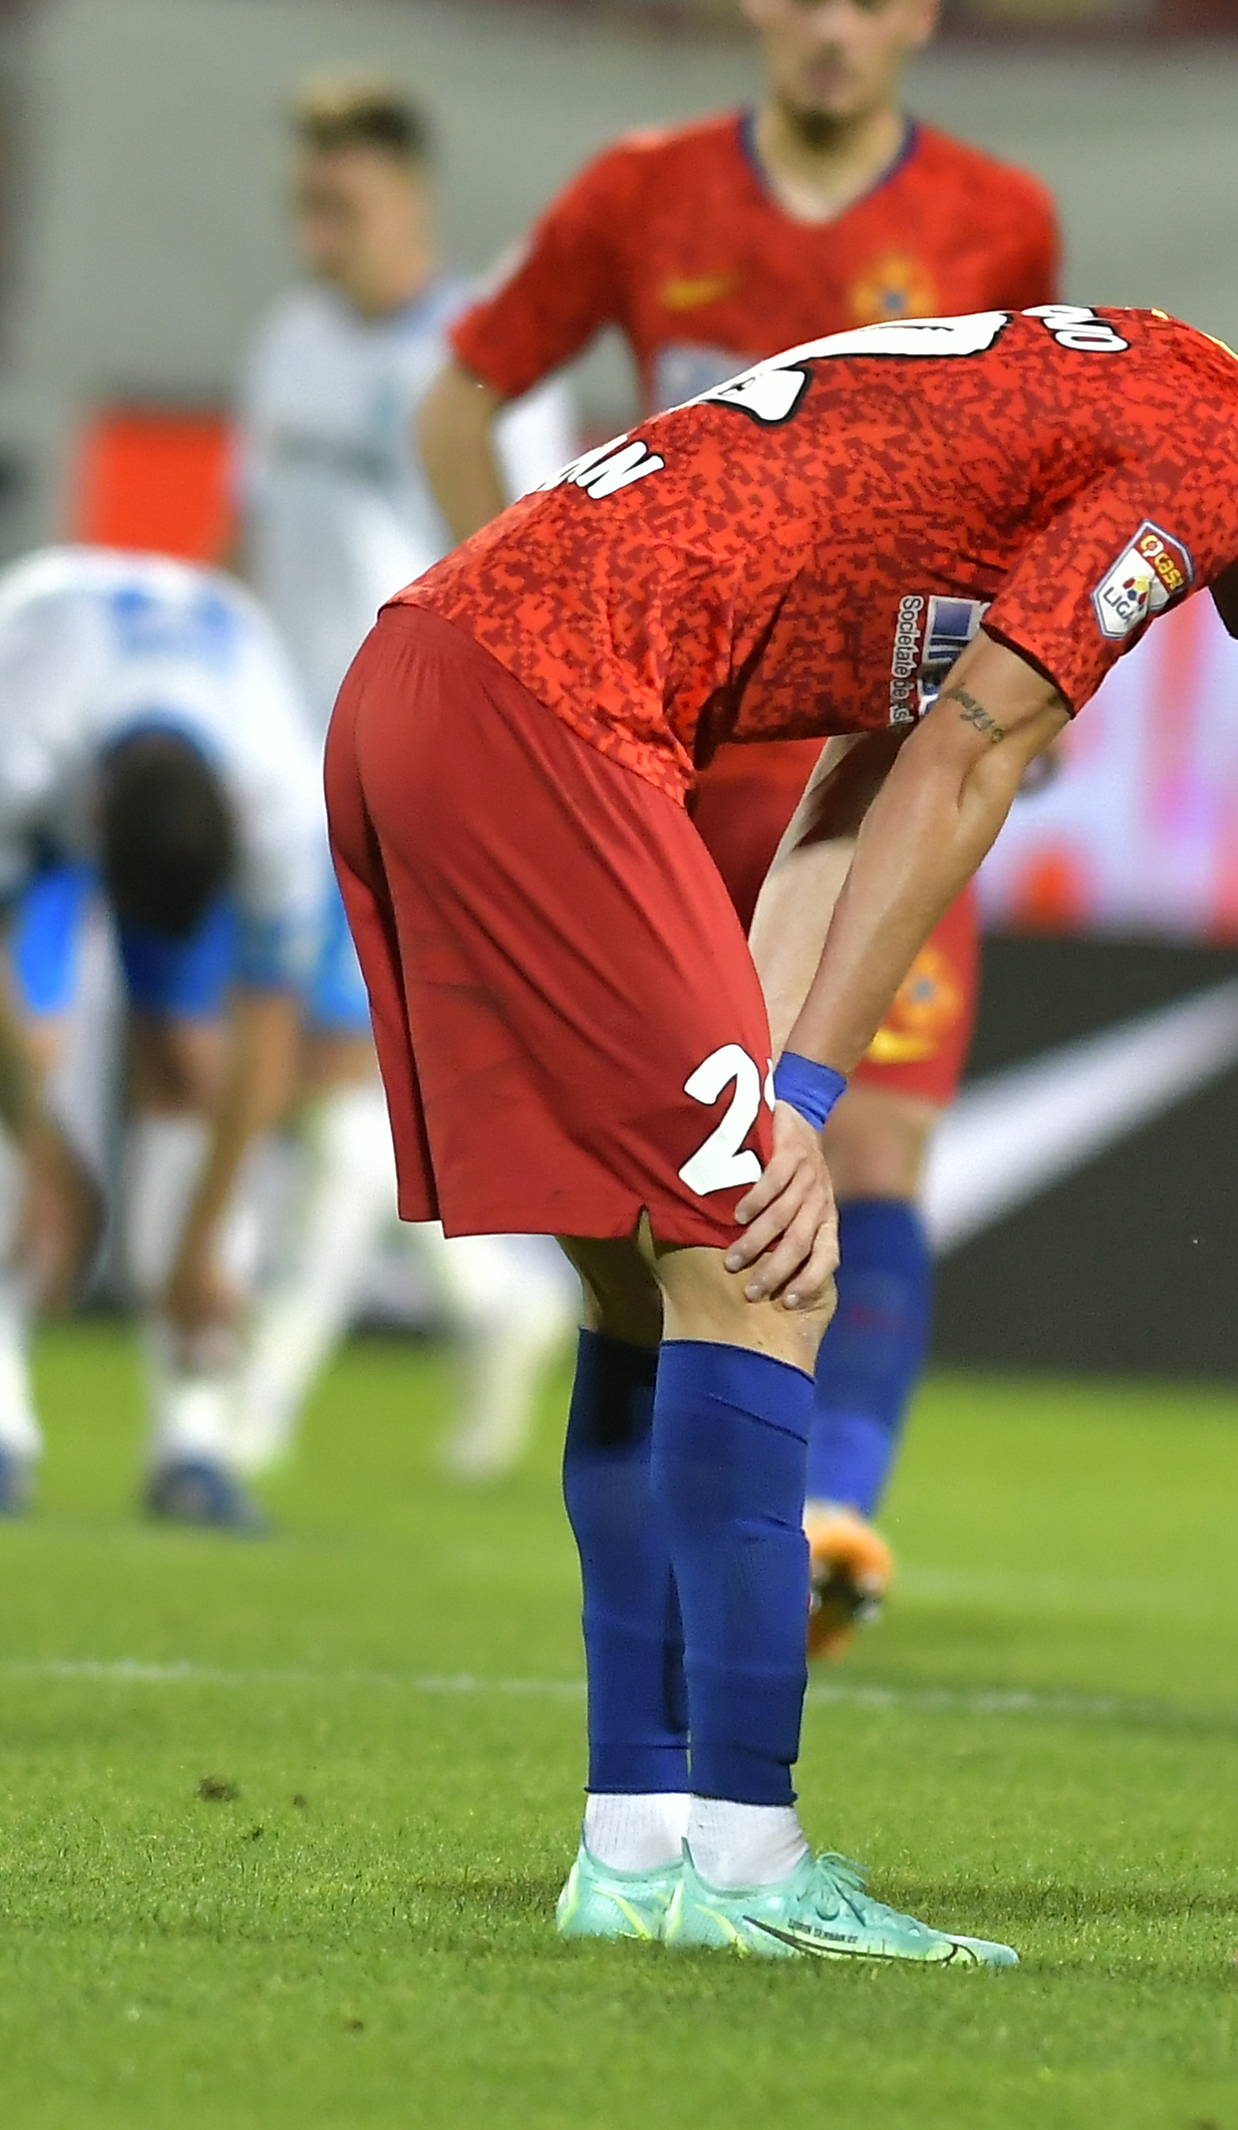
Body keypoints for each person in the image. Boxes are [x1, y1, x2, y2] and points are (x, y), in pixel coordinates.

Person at [341, 302, 1238, 1963]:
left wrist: (765, 1072)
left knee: (651, 1282)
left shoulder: (1107, 397)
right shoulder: (1199, 453)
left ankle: (634, 1852)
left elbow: (871, 756)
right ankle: (748, 1867)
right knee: (771, 1276)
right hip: (554, 707)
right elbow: (970, 759)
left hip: (431, 681)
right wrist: (810, 1105)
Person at [415, 0, 1061, 1652]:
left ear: (917, 17)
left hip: (871, 773)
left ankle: (836, 1504)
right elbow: (459, 400)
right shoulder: (640, 196)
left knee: (880, 1139)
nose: (835, 30)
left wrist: (1019, 684)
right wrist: (530, 614)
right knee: (640, 1197)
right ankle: (670, 1576)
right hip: (664, 777)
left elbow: (1039, 479)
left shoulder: (996, 219)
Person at [230, 71, 579, 1481]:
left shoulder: (478, 352)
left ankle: (247, 1415)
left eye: (341, 190)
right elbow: (247, 532)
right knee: (334, 1097)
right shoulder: (287, 339)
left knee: (327, 1079)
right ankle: (499, 1302)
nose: (316, 213)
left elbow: (535, 556)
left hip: (414, 756)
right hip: (283, 743)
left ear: (406, 196)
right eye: (306, 187)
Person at [0, 551, 338, 1531]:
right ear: (91, 819)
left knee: (187, 1064)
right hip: (47, 649)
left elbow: (265, 1035)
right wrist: (50, 1156)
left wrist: (200, 1244)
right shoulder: (20, 746)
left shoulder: (279, 791)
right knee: (30, 1063)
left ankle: (193, 1441)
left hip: (174, 713)